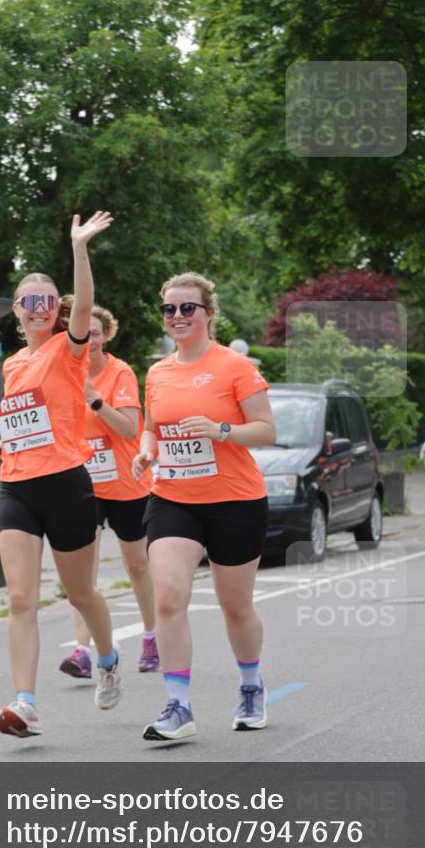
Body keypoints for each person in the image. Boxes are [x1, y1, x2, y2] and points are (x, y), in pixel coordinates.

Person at [0, 211, 121, 738]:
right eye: (29, 302)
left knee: (80, 595)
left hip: (68, 486)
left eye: (48, 302)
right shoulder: (11, 365)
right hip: (18, 487)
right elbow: (27, 424)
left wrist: (79, 249)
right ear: (16, 311)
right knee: (20, 599)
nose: (38, 309)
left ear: (59, 312)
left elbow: (81, 299)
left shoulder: (68, 349)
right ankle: (25, 702)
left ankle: (106, 658)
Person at [133, 272, 276, 741]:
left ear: (208, 314)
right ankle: (178, 706)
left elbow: (265, 430)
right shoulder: (157, 372)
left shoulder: (234, 366)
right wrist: (146, 450)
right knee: (169, 596)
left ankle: (252, 686)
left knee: (235, 606)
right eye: (169, 309)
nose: (177, 317)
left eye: (187, 308)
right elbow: (152, 428)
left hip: (235, 500)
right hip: (173, 497)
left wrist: (221, 431)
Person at [58, 303, 158, 679]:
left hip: (126, 482)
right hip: (83, 484)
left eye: (95, 333)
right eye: (83, 333)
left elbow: (131, 429)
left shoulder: (120, 373)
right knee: (83, 573)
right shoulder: (64, 371)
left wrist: (94, 399)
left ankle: (151, 636)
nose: (89, 339)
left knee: (137, 565)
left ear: (105, 336)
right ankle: (83, 650)